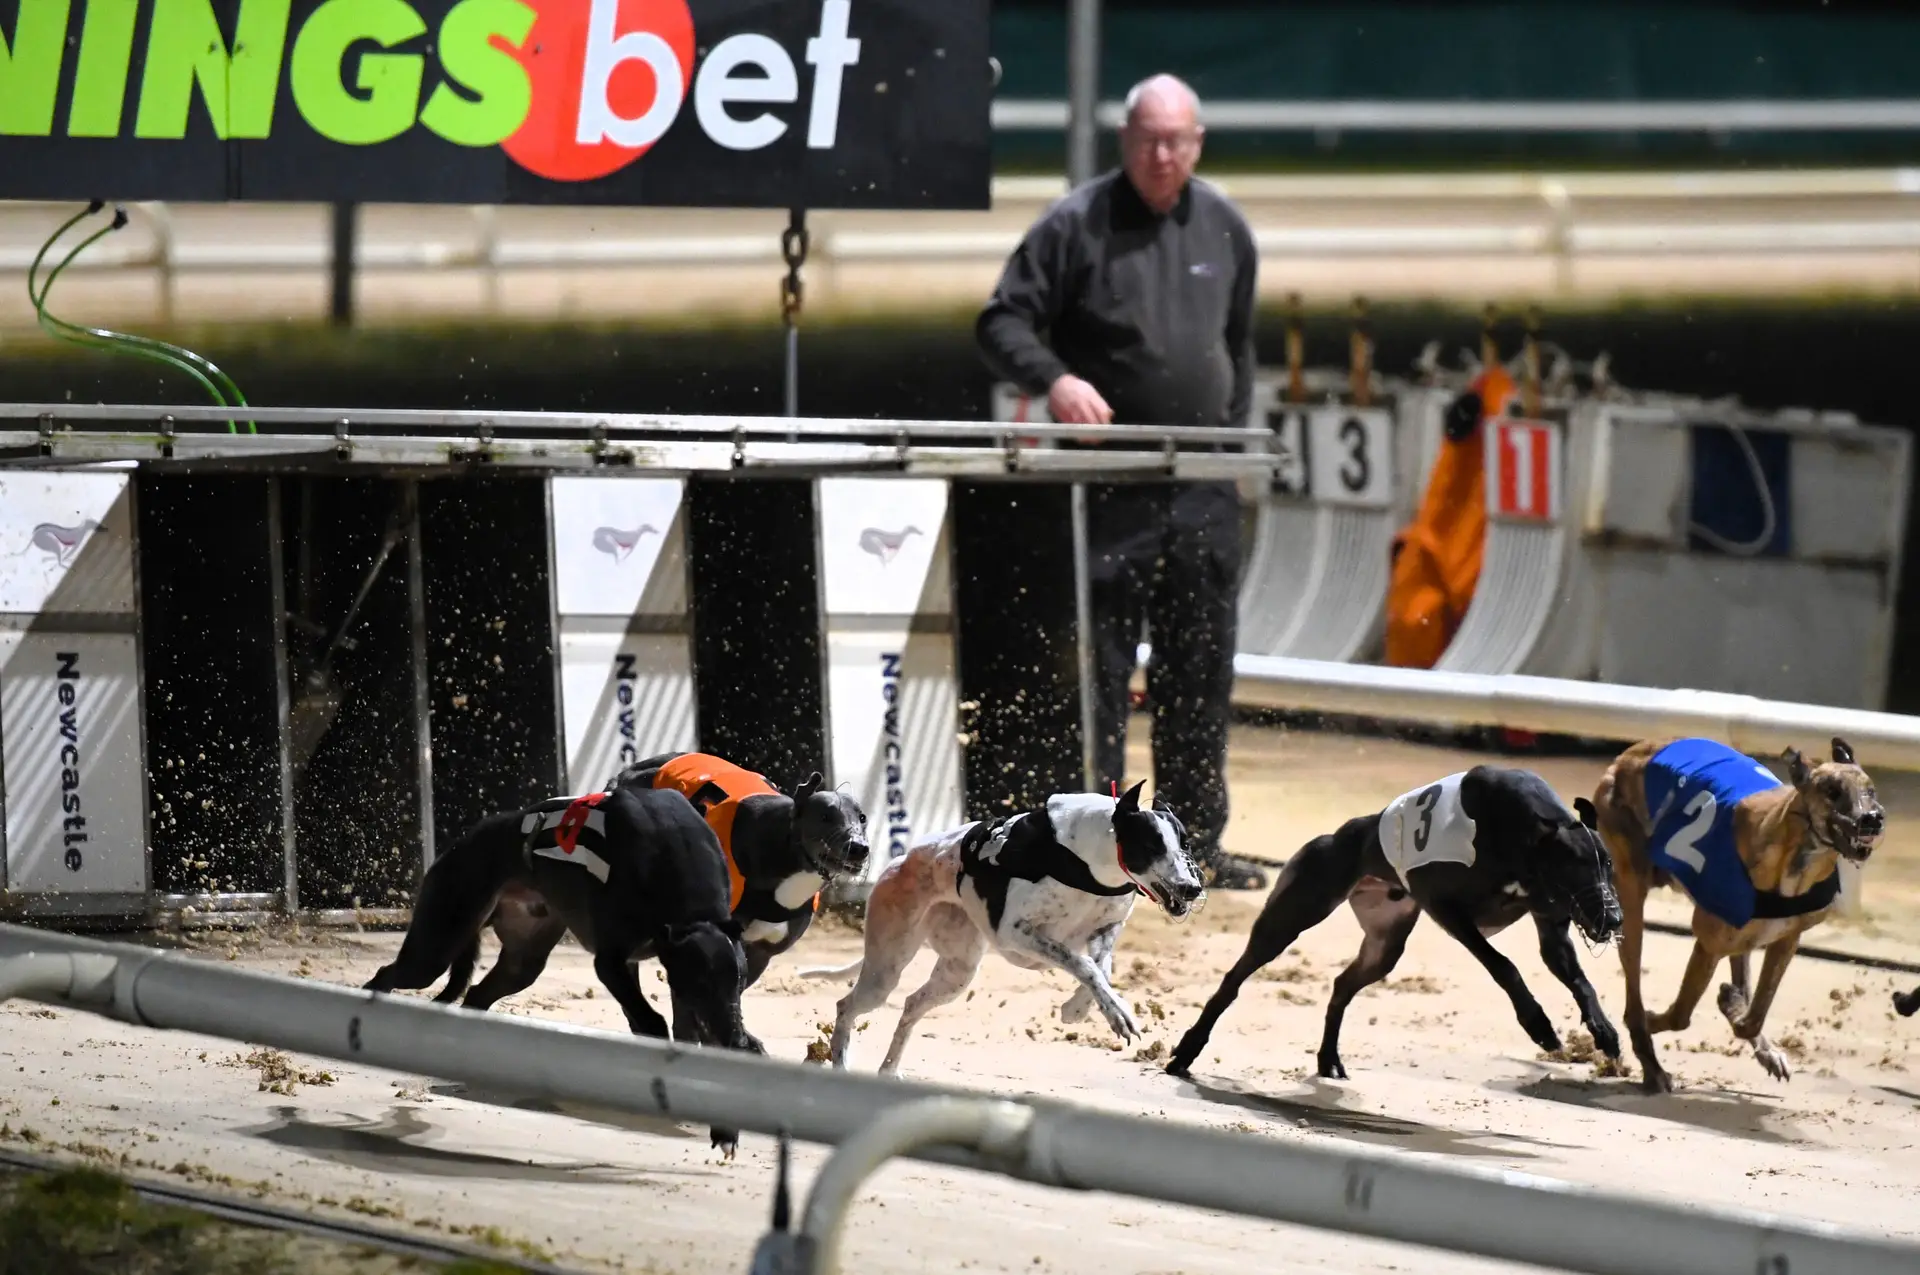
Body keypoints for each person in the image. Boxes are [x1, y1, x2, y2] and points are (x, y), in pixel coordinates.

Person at [974, 74, 1267, 890]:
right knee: (1098, 676)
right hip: (1106, 492)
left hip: (1201, 488)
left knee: (1201, 668)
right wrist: (1057, 380)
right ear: (1124, 141)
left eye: (1177, 140)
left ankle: (1195, 842)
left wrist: (1229, 444)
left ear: (1198, 141)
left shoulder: (1225, 226)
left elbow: (1238, 346)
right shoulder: (1075, 225)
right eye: (1147, 140)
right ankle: (1096, 843)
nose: (1162, 154)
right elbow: (1000, 321)